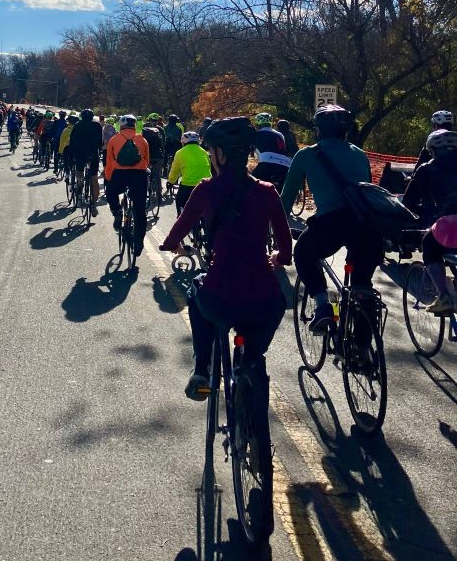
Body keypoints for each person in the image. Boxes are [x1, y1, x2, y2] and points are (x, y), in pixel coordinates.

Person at [160, 117, 292, 401]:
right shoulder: (267, 191)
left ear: (220, 154)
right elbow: (286, 248)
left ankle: (202, 370)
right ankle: (253, 362)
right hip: (265, 302)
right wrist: (277, 258)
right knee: (257, 345)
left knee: (196, 291)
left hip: (221, 296)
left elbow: (174, 235)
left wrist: (175, 246)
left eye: (211, 153)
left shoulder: (207, 189)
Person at [280, 105, 376, 334]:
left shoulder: (306, 155)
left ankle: (323, 307)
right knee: (362, 285)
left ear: (318, 130)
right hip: (368, 225)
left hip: (331, 224)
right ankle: (364, 350)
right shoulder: (359, 154)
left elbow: (286, 199)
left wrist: (277, 226)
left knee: (303, 253)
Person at [403, 128, 457, 315]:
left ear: (432, 150)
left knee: (429, 243)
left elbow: (408, 202)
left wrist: (425, 215)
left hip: (449, 223)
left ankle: (443, 297)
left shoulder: (426, 169)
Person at [105, 114, 150, 254]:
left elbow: (110, 162)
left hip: (120, 175)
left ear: (121, 125)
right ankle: (138, 244)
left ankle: (117, 211)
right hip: (139, 176)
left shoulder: (114, 139)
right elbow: (146, 161)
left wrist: (108, 178)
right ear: (134, 125)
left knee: (111, 192)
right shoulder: (142, 140)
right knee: (140, 210)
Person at [167, 131, 212, 214]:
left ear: (183, 142)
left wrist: (171, 181)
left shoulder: (180, 152)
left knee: (179, 202)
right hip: (206, 185)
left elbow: (175, 170)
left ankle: (182, 222)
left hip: (188, 185)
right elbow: (209, 167)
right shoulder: (204, 152)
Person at [69, 108, 104, 214]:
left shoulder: (77, 125)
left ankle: (80, 183)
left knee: (79, 171)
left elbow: (72, 141)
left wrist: (72, 154)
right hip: (93, 154)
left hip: (80, 154)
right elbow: (100, 142)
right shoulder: (97, 125)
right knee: (94, 178)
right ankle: (93, 204)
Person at [253, 113, 291, 192]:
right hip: (286, 163)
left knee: (253, 187)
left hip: (266, 162)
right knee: (280, 193)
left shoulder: (255, 134)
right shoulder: (280, 134)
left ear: (257, 123)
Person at [142, 114, 165, 201]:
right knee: (157, 175)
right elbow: (163, 144)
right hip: (158, 156)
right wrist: (163, 155)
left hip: (147, 156)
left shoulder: (144, 130)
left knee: (144, 175)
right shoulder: (160, 130)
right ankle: (159, 195)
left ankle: (144, 193)